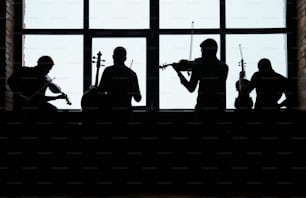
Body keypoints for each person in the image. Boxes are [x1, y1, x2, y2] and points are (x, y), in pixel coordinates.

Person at [172, 38, 229, 111]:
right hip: (219, 108)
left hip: (202, 107)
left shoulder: (199, 65)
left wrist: (178, 72)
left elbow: (191, 88)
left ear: (207, 51)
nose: (201, 54)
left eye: (202, 51)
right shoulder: (224, 67)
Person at [97, 46, 142, 112]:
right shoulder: (132, 74)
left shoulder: (108, 71)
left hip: (110, 112)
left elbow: (100, 92)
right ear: (125, 58)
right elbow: (138, 99)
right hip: (126, 114)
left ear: (113, 57)